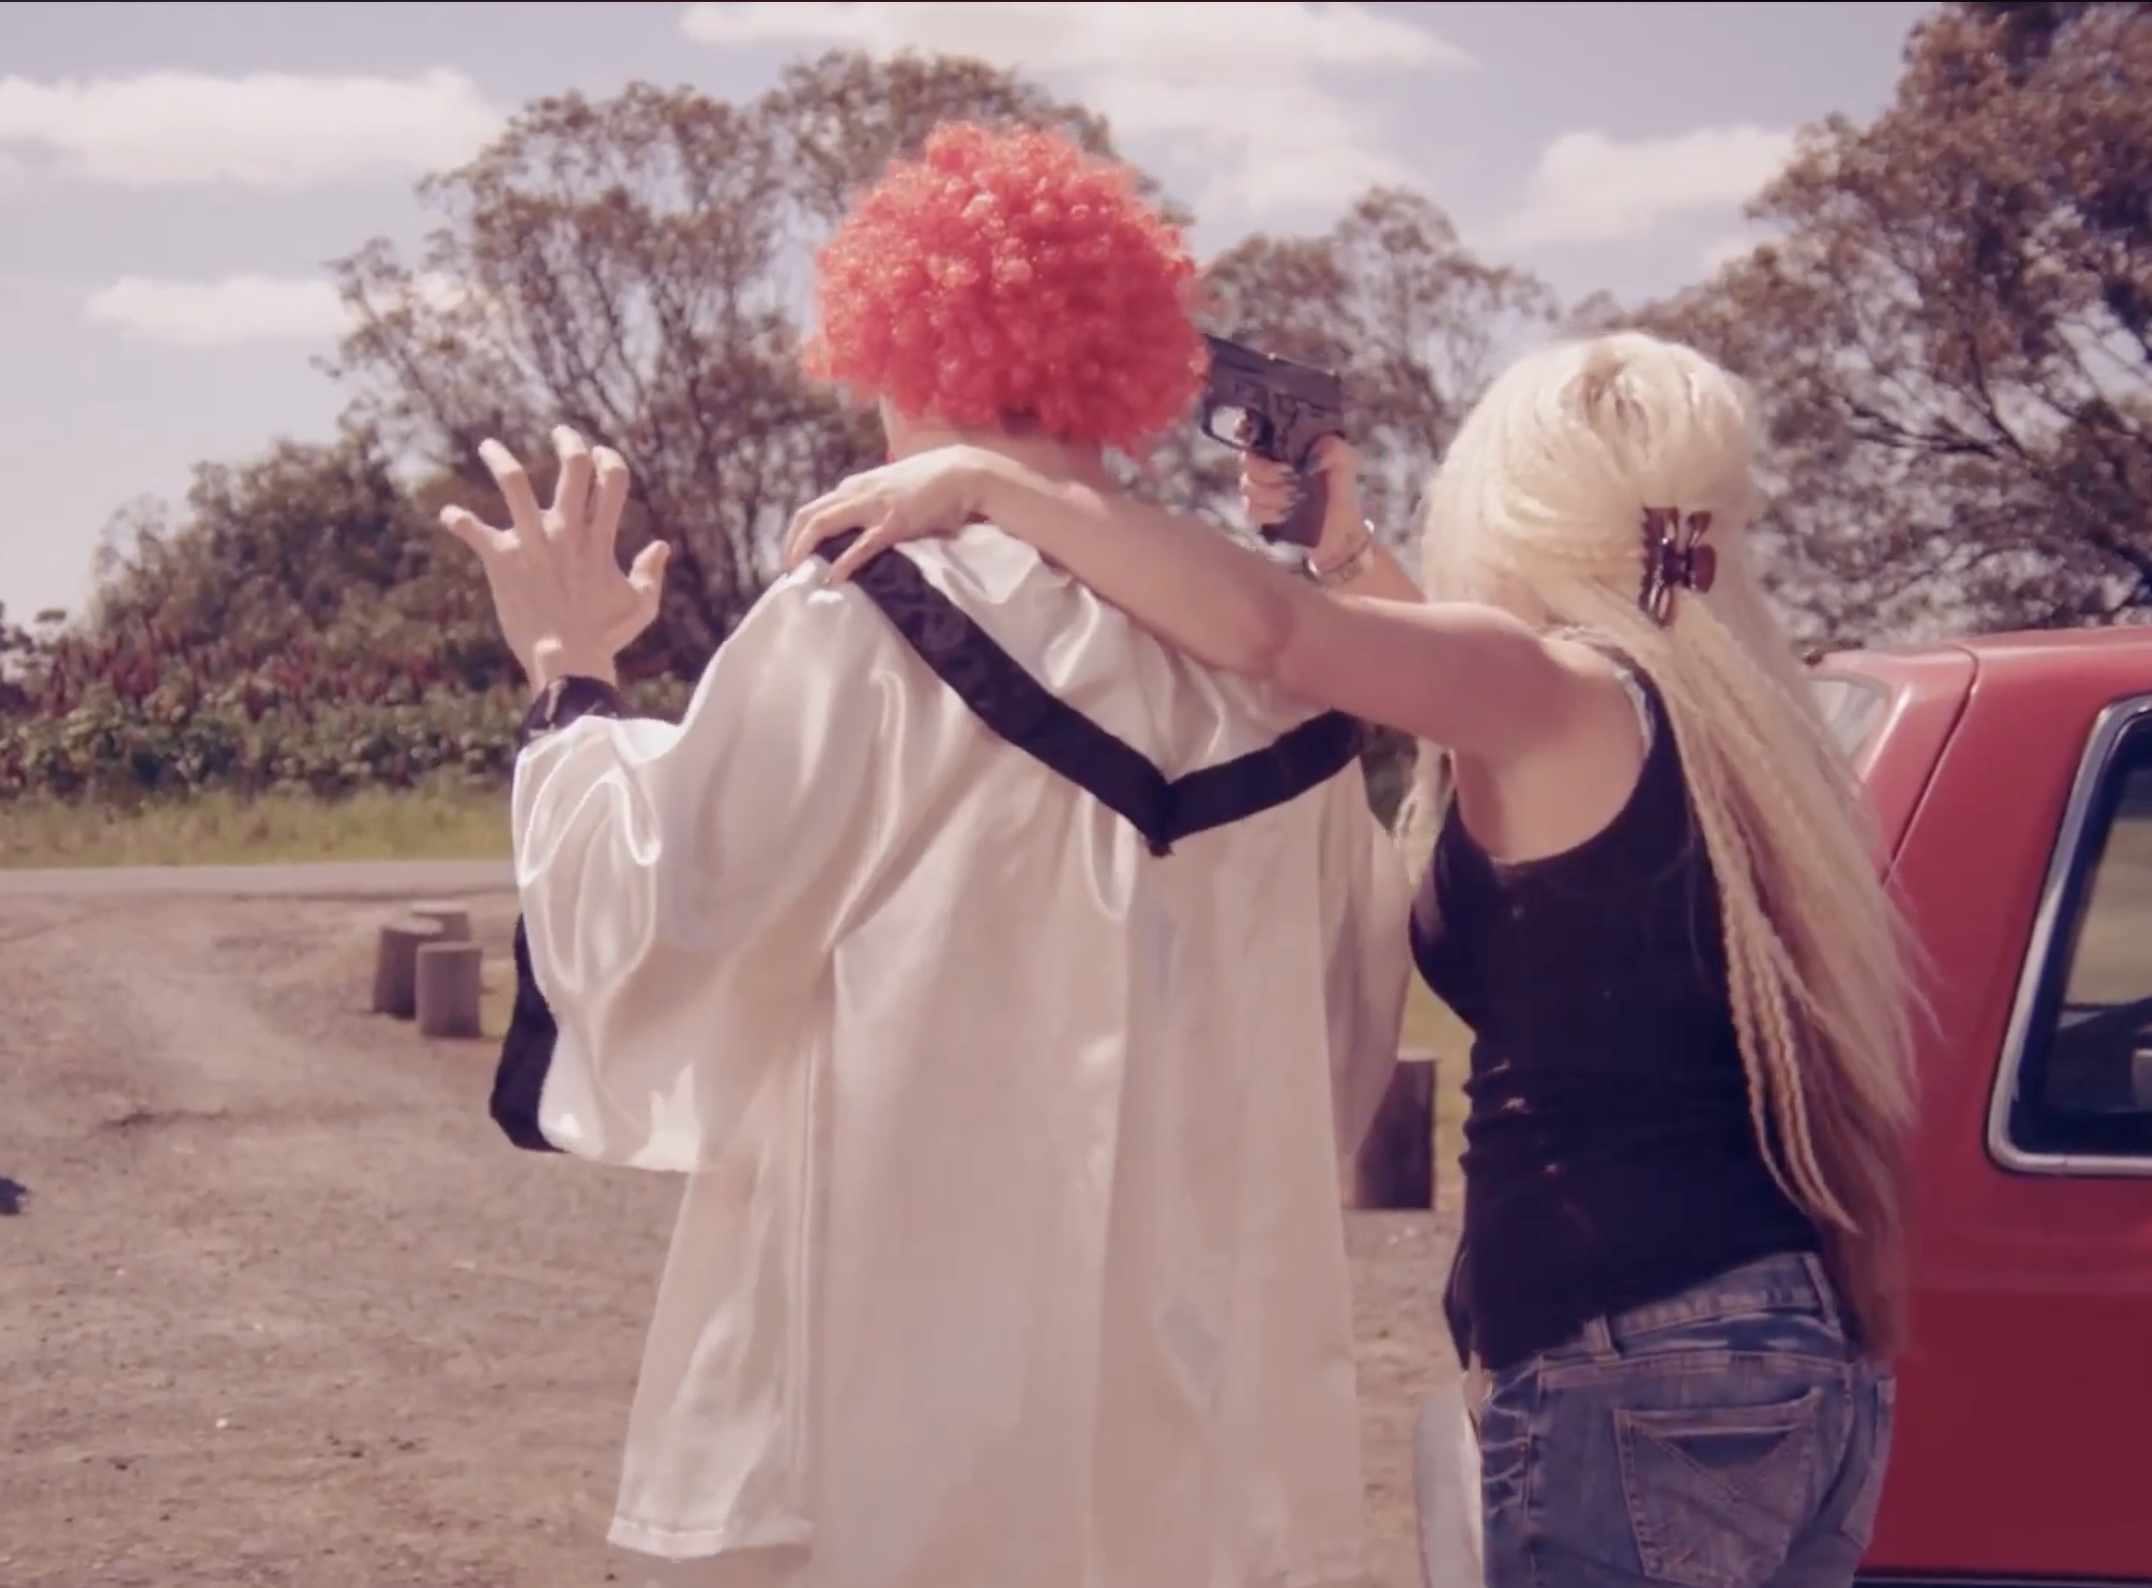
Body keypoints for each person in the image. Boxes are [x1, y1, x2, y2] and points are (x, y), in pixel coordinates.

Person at [436, 122, 1412, 1588]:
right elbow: (1339, 1052)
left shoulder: (859, 616)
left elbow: (659, 918)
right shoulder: (1290, 682)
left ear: (898, 350)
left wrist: (571, 680)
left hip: (901, 1390)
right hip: (1197, 1417)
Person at [786, 331, 1919, 1588]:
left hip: (1627, 1341)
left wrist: (993, 486)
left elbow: (1274, 635)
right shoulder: (1728, 720)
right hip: (1799, 1346)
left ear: (1518, 504)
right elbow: (1410, 659)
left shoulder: (1551, 688)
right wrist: (1342, 544)